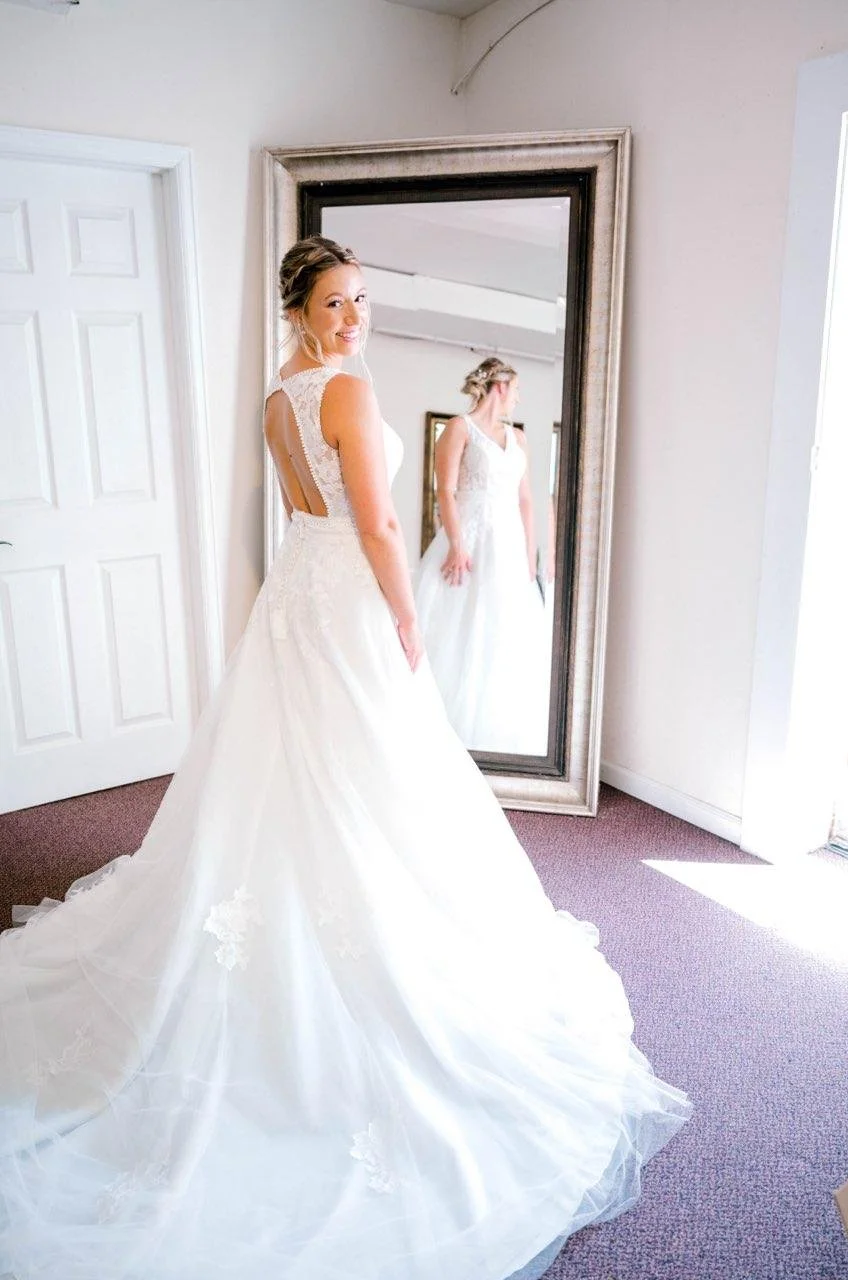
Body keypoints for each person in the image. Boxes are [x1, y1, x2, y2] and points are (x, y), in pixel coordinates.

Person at [0, 235, 691, 1280]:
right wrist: (408, 623)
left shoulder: (280, 392)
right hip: (347, 599)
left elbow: (301, 510)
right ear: (301, 307)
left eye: (363, 299)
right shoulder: (346, 391)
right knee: (377, 777)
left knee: (292, 770)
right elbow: (376, 522)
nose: (355, 316)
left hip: (295, 596)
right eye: (336, 300)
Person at [415, 359, 552, 754]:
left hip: (508, 546)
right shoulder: (460, 428)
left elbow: (526, 500)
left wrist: (530, 557)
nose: (519, 398)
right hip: (470, 537)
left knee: (503, 631)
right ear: (501, 386)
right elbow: (445, 491)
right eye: (518, 390)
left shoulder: (519, 439)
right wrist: (458, 544)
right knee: (460, 624)